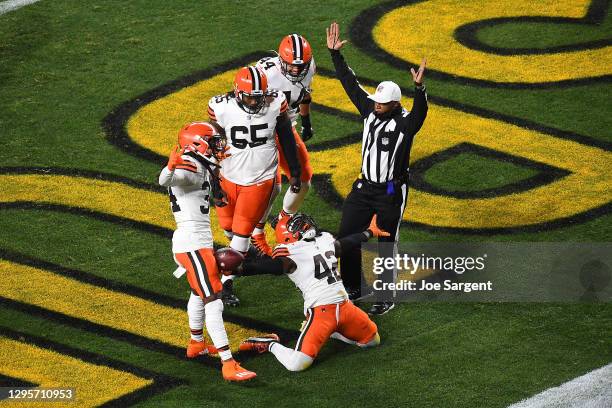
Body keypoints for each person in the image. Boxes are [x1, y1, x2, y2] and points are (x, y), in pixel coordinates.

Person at [326, 22, 428, 315]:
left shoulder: (405, 123)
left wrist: (419, 89)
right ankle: (354, 287)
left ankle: (385, 295)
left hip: (391, 190)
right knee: (347, 236)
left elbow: (421, 113)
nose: (376, 106)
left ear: (395, 103)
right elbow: (351, 85)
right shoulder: (371, 110)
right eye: (377, 101)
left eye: (383, 103)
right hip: (364, 186)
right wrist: (336, 56)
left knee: (385, 243)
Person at [225, 213, 388, 372]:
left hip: (345, 306)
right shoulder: (291, 254)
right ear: (289, 236)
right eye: (297, 226)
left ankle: (333, 330)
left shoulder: (323, 240)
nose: (305, 225)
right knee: (296, 365)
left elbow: (342, 245)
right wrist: (238, 269)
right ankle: (269, 344)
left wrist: (369, 232)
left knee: (371, 341)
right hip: (320, 311)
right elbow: (262, 267)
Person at [158, 122, 256, 381]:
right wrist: (170, 167)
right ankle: (228, 363)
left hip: (196, 241)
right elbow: (167, 179)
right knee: (214, 299)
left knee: (198, 293)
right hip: (192, 244)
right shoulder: (188, 166)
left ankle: (196, 343)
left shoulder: (202, 164)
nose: (218, 146)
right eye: (212, 142)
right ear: (197, 143)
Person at [208, 65, 302, 306]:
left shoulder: (274, 102)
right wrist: (213, 183)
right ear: (237, 92)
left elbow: (286, 135)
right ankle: (246, 254)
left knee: (240, 235)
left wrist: (295, 169)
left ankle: (225, 283)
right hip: (228, 176)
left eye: (258, 97)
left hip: (260, 179)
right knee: (228, 228)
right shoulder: (220, 107)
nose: (254, 102)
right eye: (249, 96)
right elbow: (213, 146)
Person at [250, 34, 317, 256]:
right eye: (292, 65)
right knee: (270, 185)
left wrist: (306, 121)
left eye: (301, 66)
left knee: (304, 179)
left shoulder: (309, 67)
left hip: (287, 128)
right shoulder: (266, 73)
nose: (297, 71)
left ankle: (284, 219)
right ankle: (256, 234)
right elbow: (245, 101)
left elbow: (305, 95)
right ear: (280, 59)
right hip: (263, 130)